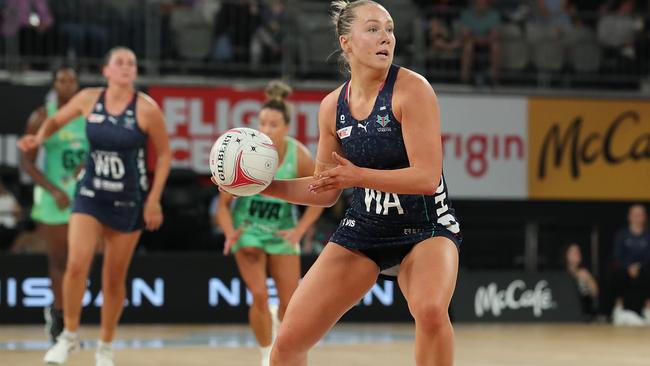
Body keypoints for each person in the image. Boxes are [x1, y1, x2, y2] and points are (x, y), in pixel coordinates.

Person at [213, 2, 463, 365]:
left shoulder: (413, 89)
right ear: (346, 43)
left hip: (426, 227)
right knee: (287, 344)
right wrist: (258, 185)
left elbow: (426, 178)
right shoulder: (332, 106)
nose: (386, 38)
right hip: (365, 228)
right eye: (373, 29)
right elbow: (326, 190)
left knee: (429, 311)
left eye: (390, 29)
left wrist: (357, 176)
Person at [17, 46, 171, 366]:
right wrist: (39, 139)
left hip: (128, 198)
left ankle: (105, 346)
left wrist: (154, 199)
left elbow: (165, 154)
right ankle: (68, 336)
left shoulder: (146, 109)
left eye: (132, 62)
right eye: (120, 62)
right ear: (107, 70)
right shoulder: (89, 99)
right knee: (76, 265)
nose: (127, 66)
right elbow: (55, 119)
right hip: (90, 194)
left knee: (114, 278)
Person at [215, 80, 324, 366]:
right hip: (247, 230)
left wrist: (299, 231)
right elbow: (222, 206)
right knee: (260, 295)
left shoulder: (298, 155)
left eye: (273, 124)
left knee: (292, 304)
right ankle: (266, 354)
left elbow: (322, 195)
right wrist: (230, 234)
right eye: (262, 122)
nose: (266, 129)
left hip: (281, 232)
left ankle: (282, 346)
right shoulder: (242, 151)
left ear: (286, 127)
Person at [20, 64, 88, 343]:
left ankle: (71, 323)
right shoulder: (42, 117)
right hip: (54, 199)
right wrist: (54, 190)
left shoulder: (88, 115)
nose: (67, 85)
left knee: (79, 263)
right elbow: (27, 161)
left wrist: (86, 166)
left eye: (72, 80)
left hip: (84, 197)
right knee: (60, 261)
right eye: (62, 80)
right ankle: (58, 320)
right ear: (54, 84)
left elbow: (99, 151)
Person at [611, 204, 650, 326]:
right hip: (624, 270)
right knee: (615, 271)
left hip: (644, 269)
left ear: (644, 217)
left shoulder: (648, 235)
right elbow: (617, 256)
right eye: (634, 214)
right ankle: (619, 309)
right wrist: (628, 267)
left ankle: (648, 309)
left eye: (640, 214)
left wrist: (639, 267)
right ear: (629, 217)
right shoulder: (622, 234)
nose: (637, 217)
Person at [563, 243, 598, 321]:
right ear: (566, 255)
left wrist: (589, 280)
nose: (577, 254)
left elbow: (595, 293)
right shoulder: (560, 274)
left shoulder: (585, 273)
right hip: (565, 315)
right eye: (573, 252)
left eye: (578, 252)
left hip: (584, 315)